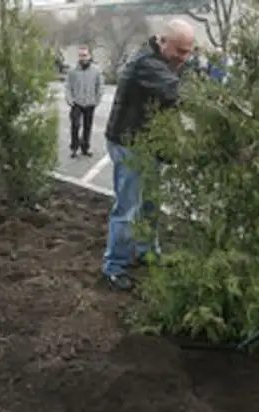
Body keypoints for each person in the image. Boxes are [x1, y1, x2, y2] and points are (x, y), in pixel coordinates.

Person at [102, 19, 195, 291]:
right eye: (180, 51)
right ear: (162, 41)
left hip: (148, 144)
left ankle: (146, 251)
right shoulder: (147, 63)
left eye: (189, 51)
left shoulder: (165, 61)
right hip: (128, 144)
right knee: (127, 208)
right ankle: (114, 266)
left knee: (151, 203)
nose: (184, 58)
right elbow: (178, 93)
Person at [65, 45, 103, 158]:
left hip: (90, 103)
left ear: (89, 56)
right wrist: (69, 99)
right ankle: (74, 148)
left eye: (85, 55)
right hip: (76, 103)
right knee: (75, 125)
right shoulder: (73, 70)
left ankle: (85, 148)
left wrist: (97, 99)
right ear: (79, 56)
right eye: (81, 55)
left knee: (87, 126)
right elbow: (68, 86)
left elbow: (100, 86)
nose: (83, 58)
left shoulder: (96, 70)